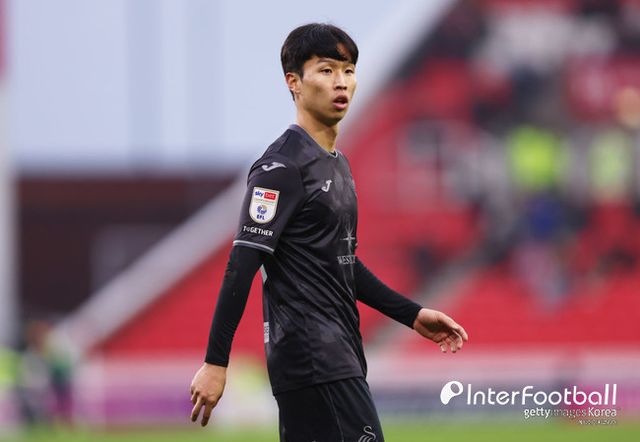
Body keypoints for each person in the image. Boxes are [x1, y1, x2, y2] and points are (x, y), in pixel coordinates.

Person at [190, 23, 468, 441]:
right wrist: (216, 362)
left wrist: (411, 315)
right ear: (294, 82)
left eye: (348, 70)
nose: (341, 82)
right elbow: (242, 263)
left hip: (333, 356)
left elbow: (342, 263)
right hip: (314, 359)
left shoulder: (336, 163)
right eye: (326, 70)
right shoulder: (281, 167)